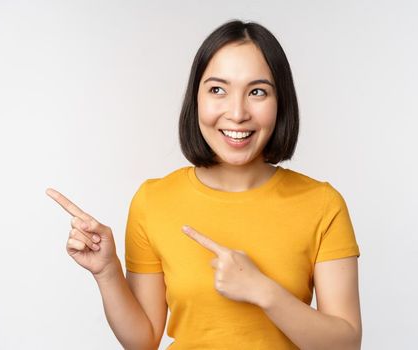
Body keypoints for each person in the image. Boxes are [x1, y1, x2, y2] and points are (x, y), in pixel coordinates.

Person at [46, 19, 362, 349]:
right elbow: (144, 341)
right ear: (195, 99)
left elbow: (345, 344)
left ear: (280, 101)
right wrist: (107, 271)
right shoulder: (154, 201)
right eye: (217, 90)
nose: (237, 113)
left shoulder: (322, 203)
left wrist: (263, 291)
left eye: (257, 92)